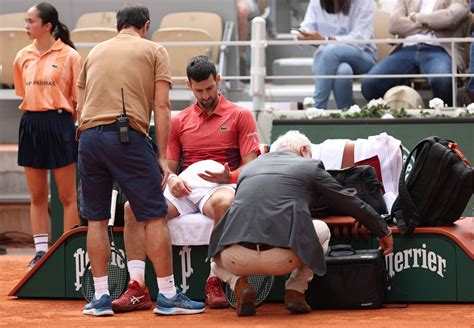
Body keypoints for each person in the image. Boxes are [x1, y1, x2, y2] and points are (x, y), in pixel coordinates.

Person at [76, 4, 204, 316]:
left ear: (118, 26)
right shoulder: (154, 49)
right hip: (126, 137)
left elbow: (79, 107)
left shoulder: (94, 52)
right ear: (145, 26)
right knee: (154, 216)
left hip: (88, 138)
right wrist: (162, 156)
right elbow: (161, 105)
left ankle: (101, 297)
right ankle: (169, 296)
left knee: (96, 219)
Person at [116, 55, 260, 312]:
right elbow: (168, 168)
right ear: (189, 86)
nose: (205, 95)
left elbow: (252, 165)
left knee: (226, 203)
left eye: (209, 88)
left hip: (220, 186)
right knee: (131, 209)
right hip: (186, 187)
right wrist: (171, 179)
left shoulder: (241, 115)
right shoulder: (178, 120)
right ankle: (137, 287)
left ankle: (215, 280)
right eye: (199, 90)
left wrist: (230, 177)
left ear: (218, 81)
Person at [208, 130, 394, 316]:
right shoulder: (310, 166)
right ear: (304, 149)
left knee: (215, 255)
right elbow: (349, 201)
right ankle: (295, 291)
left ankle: (239, 284)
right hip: (282, 259)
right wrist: (382, 229)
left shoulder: (248, 169)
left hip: (235, 260)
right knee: (321, 229)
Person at [13, 2, 80, 270]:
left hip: (60, 123)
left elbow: (78, 98)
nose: (26, 26)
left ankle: (67, 250)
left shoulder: (70, 56)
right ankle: (41, 253)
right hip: (31, 122)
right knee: (37, 196)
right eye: (26, 21)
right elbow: (23, 92)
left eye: (31, 21)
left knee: (67, 196)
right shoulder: (22, 56)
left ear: (48, 26)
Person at [361, 0, 470, 107]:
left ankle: (441, 120)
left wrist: (416, 17)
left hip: (439, 49)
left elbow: (448, 18)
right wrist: (430, 24)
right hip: (406, 50)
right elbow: (394, 25)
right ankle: (392, 116)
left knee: (443, 80)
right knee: (369, 84)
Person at [297, 0, 377, 109]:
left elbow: (359, 39)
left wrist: (325, 40)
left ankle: (318, 108)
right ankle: (347, 113)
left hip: (362, 56)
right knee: (343, 70)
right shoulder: (317, 2)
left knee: (331, 50)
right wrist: (304, 35)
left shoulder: (365, 2)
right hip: (326, 58)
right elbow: (308, 25)